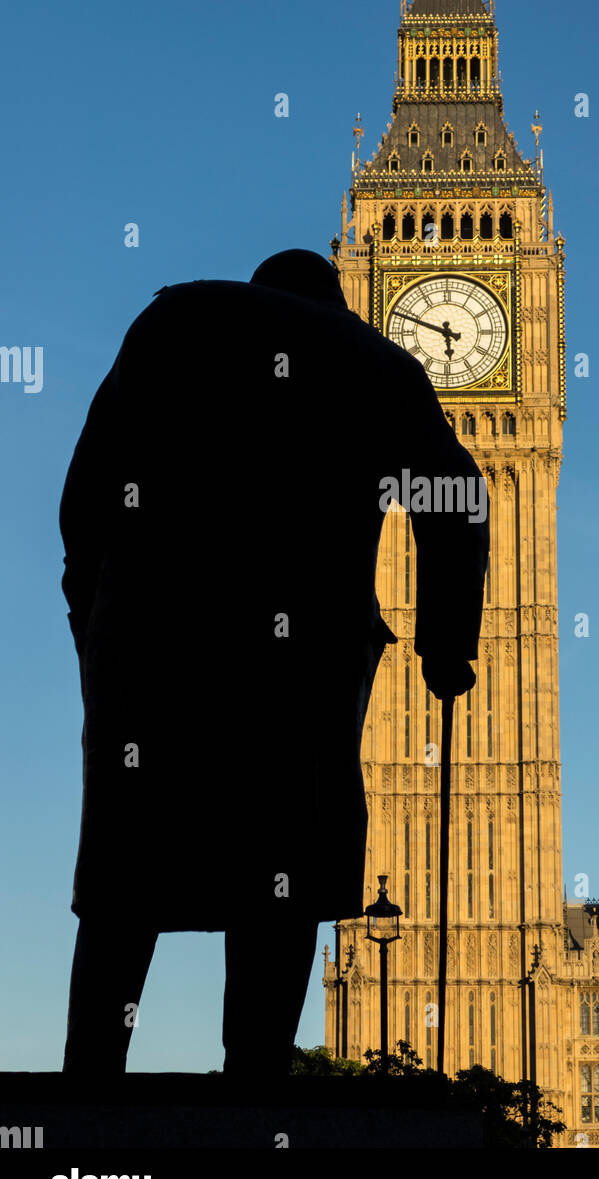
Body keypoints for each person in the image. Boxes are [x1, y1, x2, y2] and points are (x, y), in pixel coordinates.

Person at [60, 248, 489, 1078]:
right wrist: (446, 642)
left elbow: (86, 493)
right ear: (342, 295)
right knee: (282, 862)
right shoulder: (376, 361)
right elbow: (456, 501)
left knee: (129, 866)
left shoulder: (173, 320)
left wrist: (94, 613)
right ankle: (256, 1083)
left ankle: (89, 1084)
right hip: (296, 660)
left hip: (153, 640)